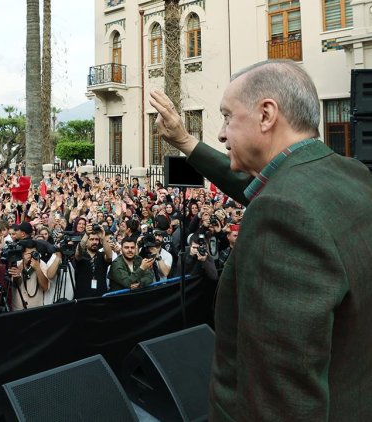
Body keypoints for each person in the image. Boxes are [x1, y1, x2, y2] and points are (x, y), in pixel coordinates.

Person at [150, 59, 372, 420]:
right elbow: (270, 184)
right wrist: (186, 142)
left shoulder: (282, 214)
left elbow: (282, 401)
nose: (221, 134)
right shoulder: (350, 173)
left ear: (266, 115)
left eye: (227, 117)